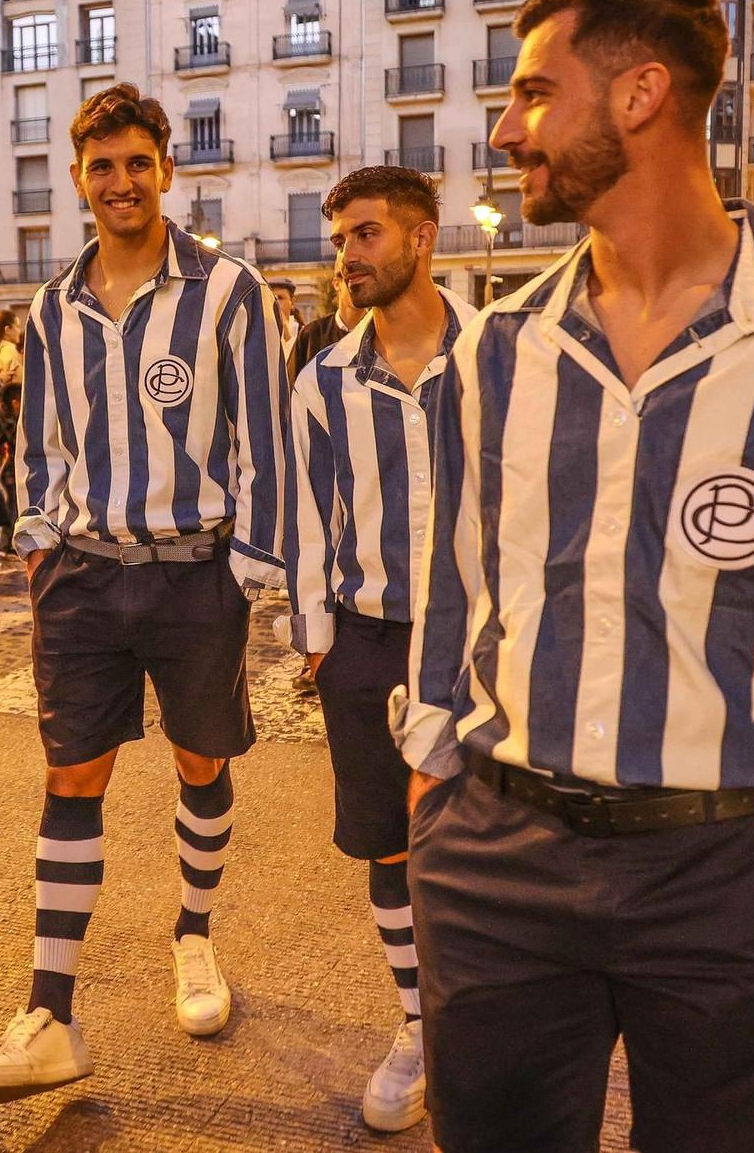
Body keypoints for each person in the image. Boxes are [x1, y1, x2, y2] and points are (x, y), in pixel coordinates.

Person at [400, 0, 754, 1153]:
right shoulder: (495, 350)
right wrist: (432, 791)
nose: (506, 131)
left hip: (733, 876)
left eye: (535, 95)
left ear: (641, 94)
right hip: (495, 861)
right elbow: (453, 591)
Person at [0, 83, 287, 1104]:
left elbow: (263, 441)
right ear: (79, 180)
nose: (118, 182)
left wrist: (252, 566)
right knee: (71, 777)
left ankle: (193, 936)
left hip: (195, 570)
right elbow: (37, 439)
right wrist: (34, 543)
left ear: (164, 170)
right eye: (100, 167)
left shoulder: (228, 291)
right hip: (82, 575)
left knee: (200, 760)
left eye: (134, 163)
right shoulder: (52, 304)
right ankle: (50, 1012)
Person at [282, 165, 476, 1134]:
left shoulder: (497, 353)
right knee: (386, 846)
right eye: (341, 240)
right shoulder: (320, 377)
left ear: (420, 237)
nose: (347, 257)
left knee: (482, 845)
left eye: (364, 235)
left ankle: (478, 1028)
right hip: (363, 639)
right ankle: (417, 1026)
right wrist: (317, 642)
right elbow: (307, 514)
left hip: (478, 640)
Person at [289, 269, 362, 384]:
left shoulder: (380, 335)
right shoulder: (311, 335)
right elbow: (291, 386)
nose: (359, 287)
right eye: (352, 280)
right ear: (337, 284)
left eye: (364, 281)